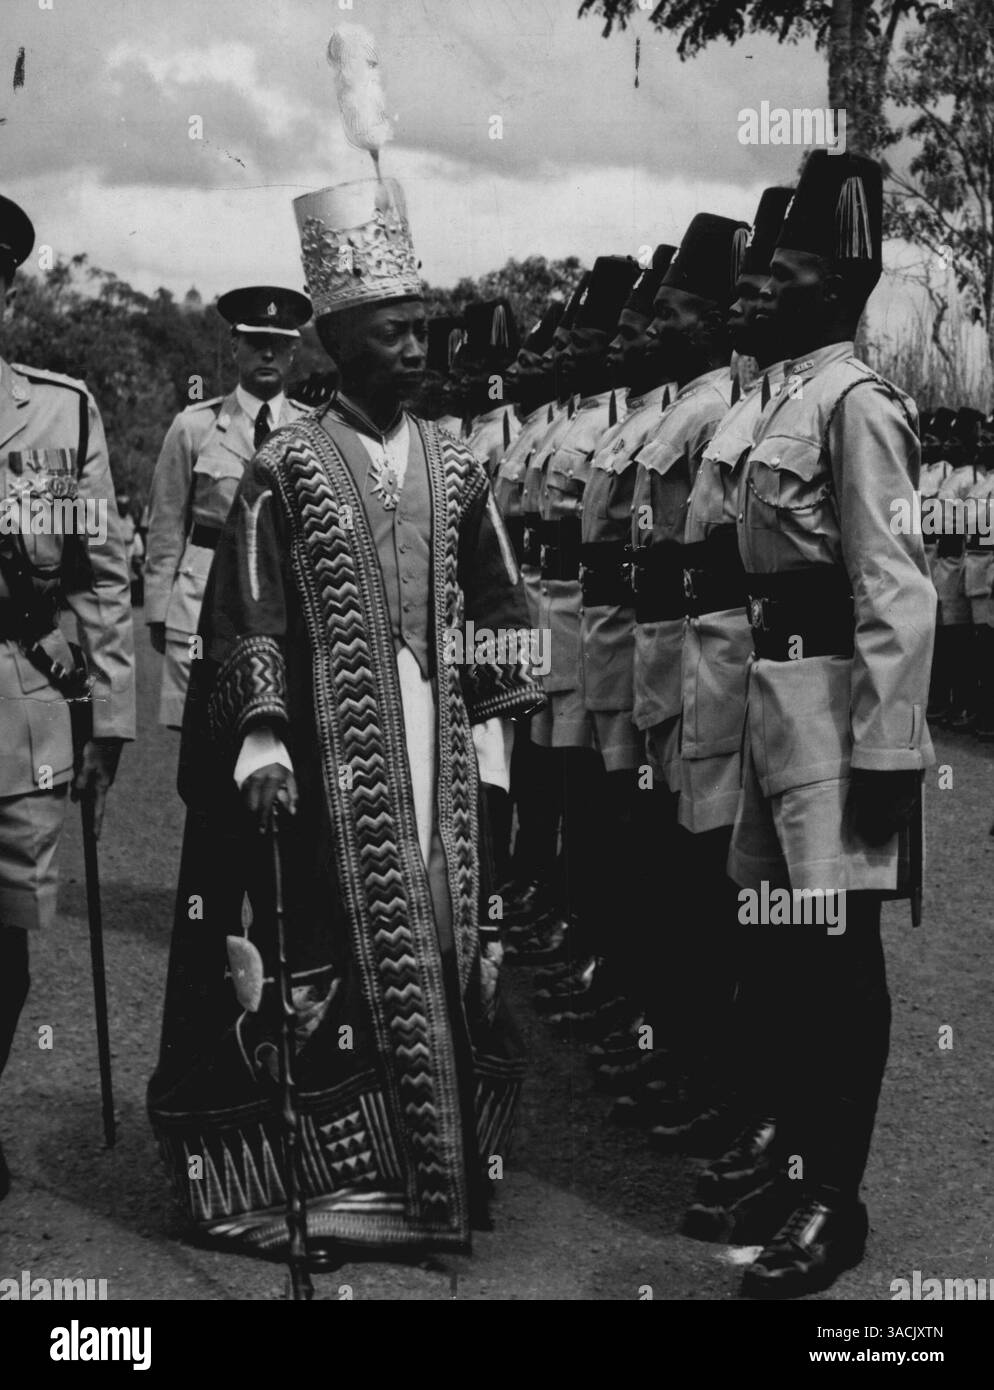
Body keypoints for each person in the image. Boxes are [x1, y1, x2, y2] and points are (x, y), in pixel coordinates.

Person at [148, 172, 543, 1257]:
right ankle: (320, 1183)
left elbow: (498, 621)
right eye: (392, 331)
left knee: (445, 943)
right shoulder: (282, 467)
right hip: (325, 765)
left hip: (439, 757)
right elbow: (249, 613)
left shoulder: (460, 470)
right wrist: (263, 740)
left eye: (422, 331)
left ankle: (431, 1179)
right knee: (317, 953)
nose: (414, 349)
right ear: (339, 336)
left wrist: (494, 761)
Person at [724, 151, 935, 1298]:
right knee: (780, 958)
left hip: (831, 702)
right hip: (770, 690)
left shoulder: (856, 404)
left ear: (837, 282)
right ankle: (799, 1156)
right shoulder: (785, 395)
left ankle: (833, 1204)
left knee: (834, 961)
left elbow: (896, 587)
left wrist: (890, 751)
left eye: (793, 265)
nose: (770, 282)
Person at [0, 192, 135, 1199]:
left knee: (6, 930)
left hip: (22, 698)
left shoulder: (57, 409)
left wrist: (108, 715)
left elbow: (100, 570)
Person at [610, 213, 747, 1131]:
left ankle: (710, 1072)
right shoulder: (674, 410)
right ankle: (679, 1045)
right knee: (666, 870)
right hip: (663, 655)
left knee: (710, 889)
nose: (651, 329)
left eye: (673, 312)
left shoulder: (713, 411)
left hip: (719, 666)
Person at [144, 286, 312, 728]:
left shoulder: (313, 432)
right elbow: (166, 523)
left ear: (294, 352)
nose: (268, 355)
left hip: (285, 600)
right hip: (201, 599)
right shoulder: (194, 426)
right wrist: (159, 609)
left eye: (279, 345)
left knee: (277, 733)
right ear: (235, 345)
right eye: (257, 343)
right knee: (199, 744)